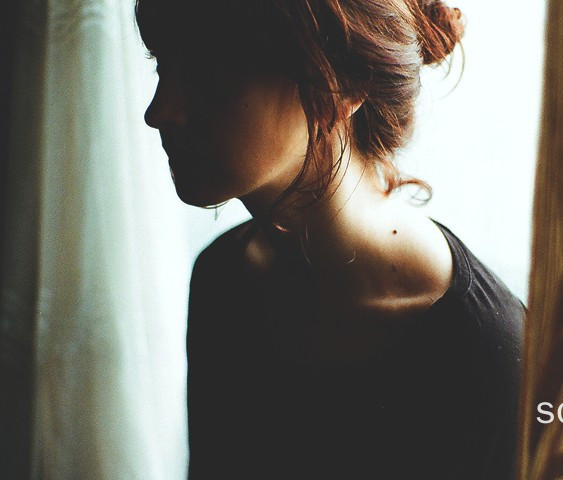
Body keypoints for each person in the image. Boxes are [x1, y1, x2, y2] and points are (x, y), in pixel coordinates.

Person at [136, 0, 525, 478]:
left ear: (342, 84)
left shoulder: (486, 352)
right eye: (163, 66)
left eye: (207, 74)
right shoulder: (221, 277)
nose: (158, 111)